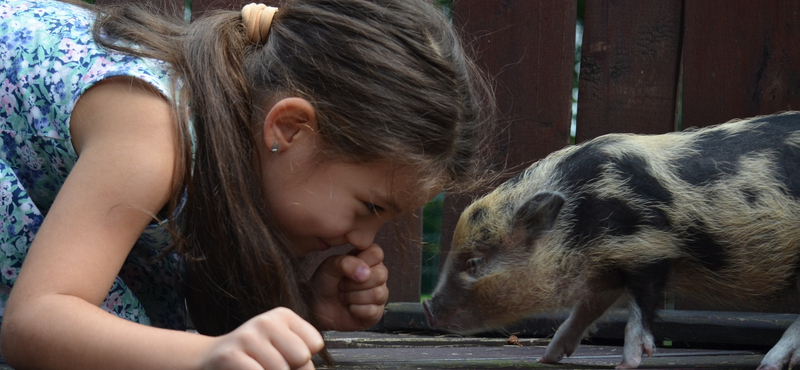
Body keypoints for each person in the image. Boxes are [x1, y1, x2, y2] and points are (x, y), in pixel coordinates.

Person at [0, 0, 493, 368]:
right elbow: (32, 323)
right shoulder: (153, 126)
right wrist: (206, 355)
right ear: (290, 129)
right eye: (368, 206)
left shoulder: (226, 135)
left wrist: (306, 307)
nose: (364, 239)